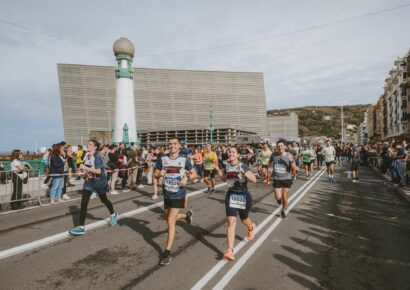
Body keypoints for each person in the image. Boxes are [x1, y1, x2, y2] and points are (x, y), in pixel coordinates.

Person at [154, 137, 197, 266]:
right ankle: (186, 216)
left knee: (170, 221)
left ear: (179, 146)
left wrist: (187, 177)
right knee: (170, 217)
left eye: (175, 144)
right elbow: (155, 174)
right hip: (167, 194)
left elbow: (194, 174)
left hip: (179, 194)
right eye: (170, 144)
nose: (172, 146)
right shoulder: (162, 159)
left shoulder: (185, 159)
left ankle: (167, 253)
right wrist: (159, 174)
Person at [215, 146, 257, 261]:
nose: (231, 153)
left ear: (238, 155)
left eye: (233, 152)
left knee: (244, 219)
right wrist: (218, 170)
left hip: (243, 195)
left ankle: (251, 227)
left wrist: (244, 172)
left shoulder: (243, 165)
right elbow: (224, 179)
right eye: (229, 152)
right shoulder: (227, 165)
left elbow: (254, 180)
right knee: (231, 221)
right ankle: (229, 250)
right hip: (231, 195)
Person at [69, 140, 118, 235]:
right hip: (89, 183)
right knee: (83, 203)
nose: (88, 145)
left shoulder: (97, 156)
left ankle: (113, 214)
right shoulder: (86, 156)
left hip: (99, 182)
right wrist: (84, 174)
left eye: (90, 144)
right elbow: (86, 169)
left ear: (95, 147)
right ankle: (81, 227)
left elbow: (99, 171)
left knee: (104, 200)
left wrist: (85, 168)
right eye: (88, 144)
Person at [271, 140, 298, 219]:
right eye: (278, 146)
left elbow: (294, 168)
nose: (280, 148)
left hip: (286, 178)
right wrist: (269, 167)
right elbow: (270, 161)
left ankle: (283, 210)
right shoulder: (274, 155)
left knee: (284, 196)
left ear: (285, 146)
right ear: (276, 147)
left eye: (282, 146)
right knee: (278, 197)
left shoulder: (289, 155)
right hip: (277, 178)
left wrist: (291, 160)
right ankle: (279, 201)